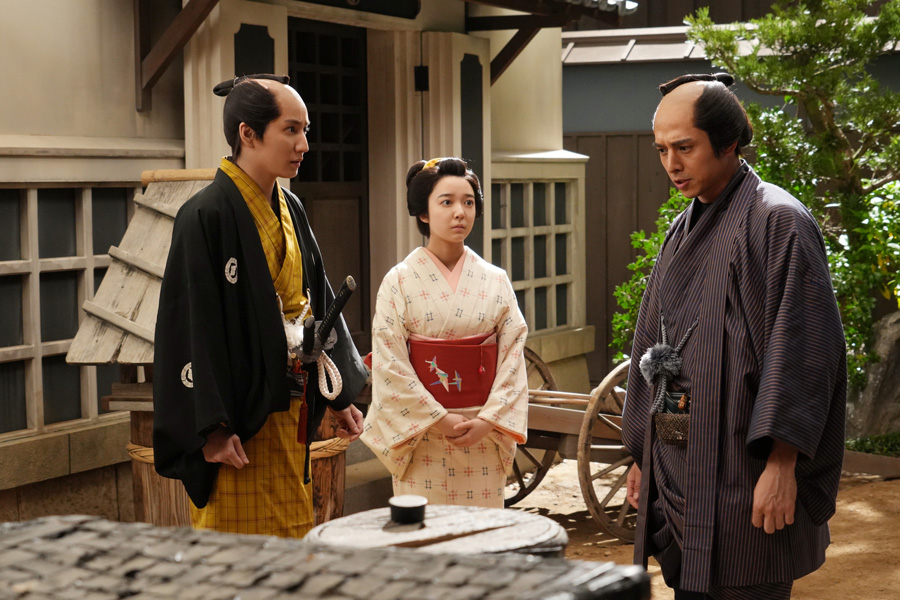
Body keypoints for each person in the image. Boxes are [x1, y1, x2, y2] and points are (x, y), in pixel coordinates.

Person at [621, 73, 847, 599]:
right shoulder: (681, 228)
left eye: (685, 147)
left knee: (749, 581)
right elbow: (657, 346)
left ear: (727, 143)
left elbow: (806, 351)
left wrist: (783, 462)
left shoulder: (778, 220)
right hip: (685, 463)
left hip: (747, 469)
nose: (672, 164)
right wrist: (644, 455)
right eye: (662, 151)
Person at [153, 74, 368, 538]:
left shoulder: (292, 208)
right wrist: (210, 430)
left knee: (292, 542)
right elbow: (189, 327)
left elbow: (318, 302)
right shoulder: (204, 215)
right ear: (248, 134)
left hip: (289, 409)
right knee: (237, 556)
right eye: (291, 130)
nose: (304, 144)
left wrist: (339, 396)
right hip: (238, 424)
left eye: (305, 130)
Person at [360, 157, 528, 508]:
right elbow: (389, 362)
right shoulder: (399, 281)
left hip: (483, 432)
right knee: (426, 529)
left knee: (482, 531)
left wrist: (488, 420)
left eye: (468, 202)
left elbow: (513, 356)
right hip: (422, 435)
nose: (459, 212)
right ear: (423, 212)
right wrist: (438, 418)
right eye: (447, 202)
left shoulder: (495, 280)